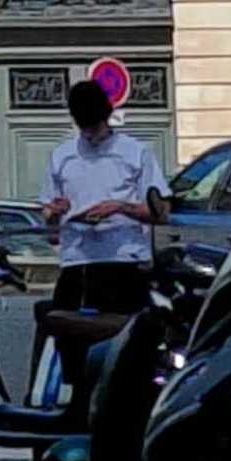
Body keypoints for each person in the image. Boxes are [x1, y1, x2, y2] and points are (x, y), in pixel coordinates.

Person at [36, 65, 166, 375]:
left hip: (124, 262)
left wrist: (119, 207)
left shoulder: (136, 153)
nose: (91, 135)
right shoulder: (62, 156)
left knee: (127, 348)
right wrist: (54, 213)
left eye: (95, 127)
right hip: (77, 263)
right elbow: (50, 228)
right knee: (70, 345)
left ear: (107, 117)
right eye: (85, 128)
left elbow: (160, 212)